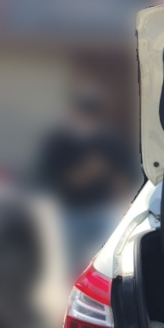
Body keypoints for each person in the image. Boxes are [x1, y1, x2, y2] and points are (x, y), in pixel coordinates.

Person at [39, 88, 141, 278]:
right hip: (72, 211)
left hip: (104, 210)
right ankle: (74, 292)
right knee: (75, 264)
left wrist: (125, 204)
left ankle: (107, 293)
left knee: (108, 261)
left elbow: (123, 174)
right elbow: (54, 177)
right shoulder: (59, 141)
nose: (86, 121)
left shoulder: (109, 139)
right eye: (83, 113)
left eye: (92, 114)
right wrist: (88, 172)